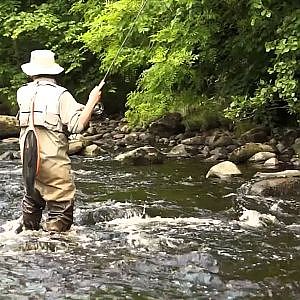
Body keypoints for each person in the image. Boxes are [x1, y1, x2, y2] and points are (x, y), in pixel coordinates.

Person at [17, 49, 102, 232]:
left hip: (29, 161)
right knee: (60, 209)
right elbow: (77, 126)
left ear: (31, 72)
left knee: (32, 198)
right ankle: (53, 248)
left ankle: (28, 242)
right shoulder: (61, 95)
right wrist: (91, 102)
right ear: (54, 71)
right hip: (53, 164)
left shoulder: (22, 93)